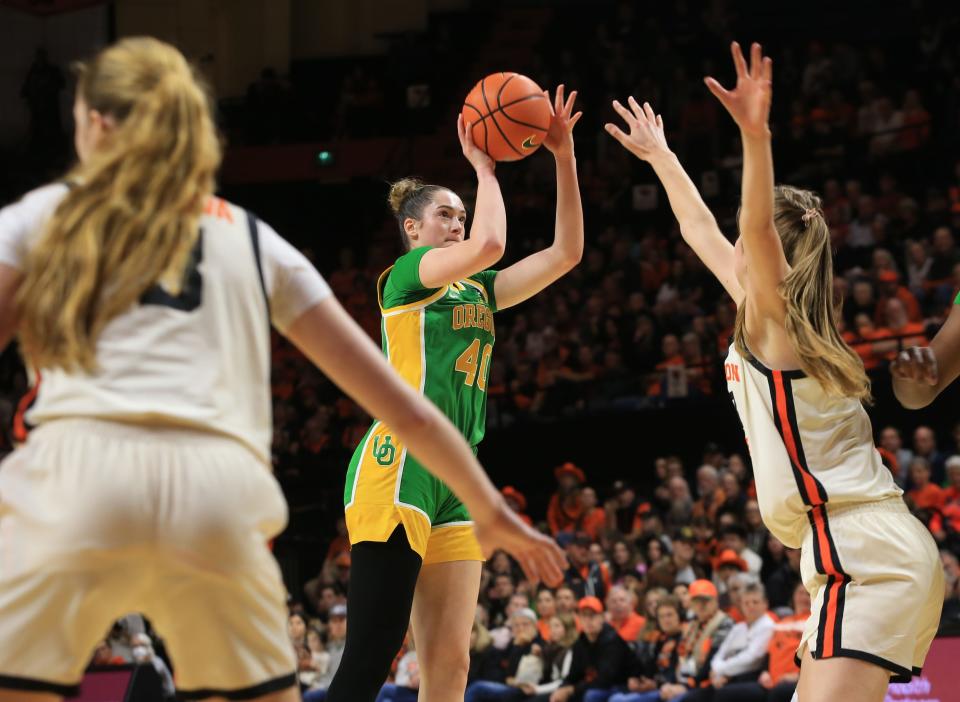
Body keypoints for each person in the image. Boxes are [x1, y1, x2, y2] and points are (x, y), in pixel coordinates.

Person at [0, 37, 564, 702]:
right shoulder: (250, 238)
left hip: (75, 473)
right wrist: (490, 504)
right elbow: (402, 407)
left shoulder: (45, 216)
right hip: (211, 493)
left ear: (95, 123)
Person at [605, 41, 941, 702]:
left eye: (747, 237)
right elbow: (700, 229)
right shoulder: (771, 321)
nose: (733, 243)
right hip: (845, 555)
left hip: (864, 555)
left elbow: (753, 230)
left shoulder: (776, 324)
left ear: (772, 260)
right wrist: (663, 157)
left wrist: (755, 138)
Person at [333, 85, 583, 702]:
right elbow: (492, 245)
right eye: (447, 215)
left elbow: (567, 253)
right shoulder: (405, 278)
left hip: (458, 475)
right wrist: (482, 168)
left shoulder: (480, 292)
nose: (459, 223)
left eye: (462, 215)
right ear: (412, 227)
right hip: (400, 467)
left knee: (449, 668)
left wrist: (563, 156)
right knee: (373, 653)